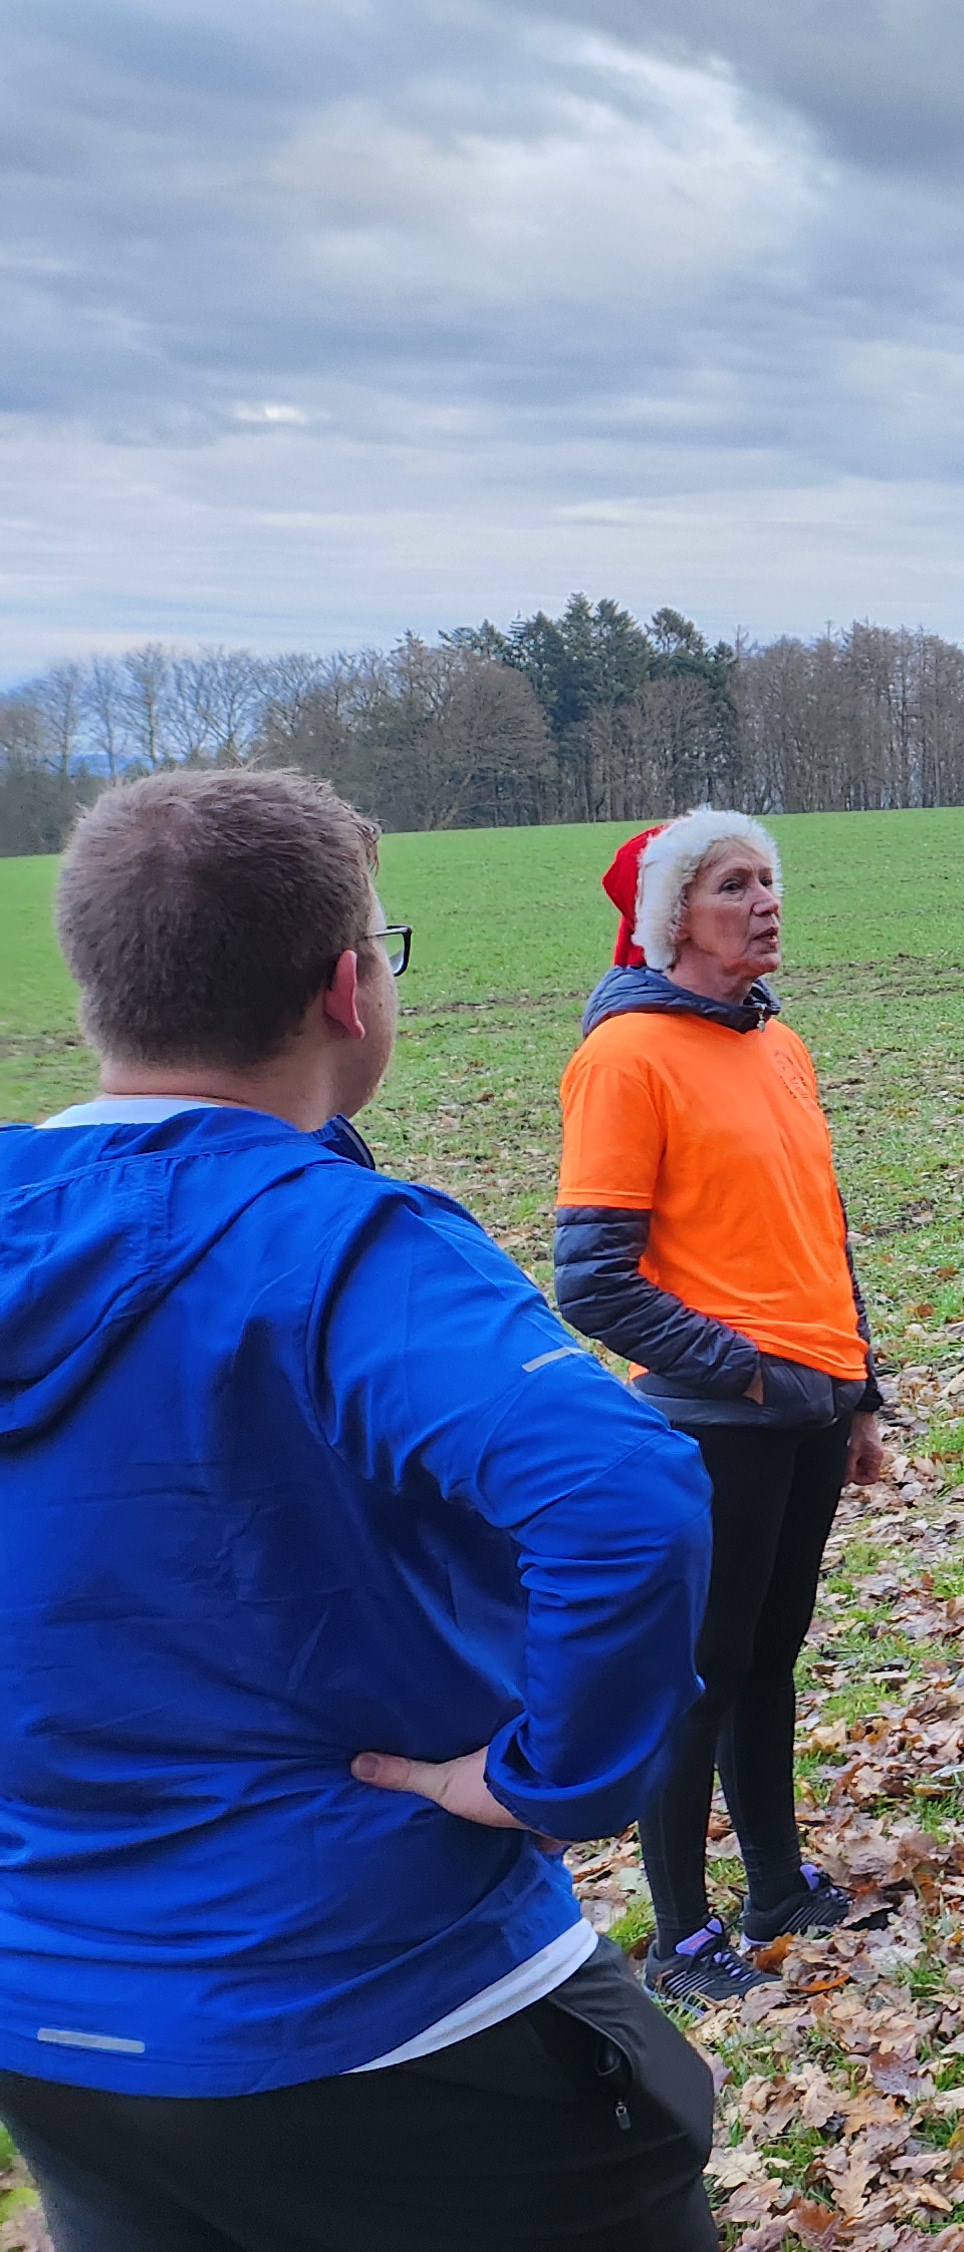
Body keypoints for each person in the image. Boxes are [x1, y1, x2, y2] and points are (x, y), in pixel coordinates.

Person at [0, 770, 721, 2249]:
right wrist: (549, 1782)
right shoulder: (335, 1243)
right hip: (387, 2001)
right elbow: (623, 1489)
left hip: (57, 2026)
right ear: (348, 986)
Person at [556, 811, 896, 2003]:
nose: (766, 901)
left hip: (808, 1407)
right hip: (718, 1420)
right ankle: (682, 1930)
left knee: (771, 1655)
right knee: (702, 1669)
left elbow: (820, 1227)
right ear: (670, 919)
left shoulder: (778, 1043)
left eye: (770, 879)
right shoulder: (627, 1056)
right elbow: (592, 1275)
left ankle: (776, 1884)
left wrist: (859, 1391)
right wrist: (745, 1368)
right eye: (732, 884)